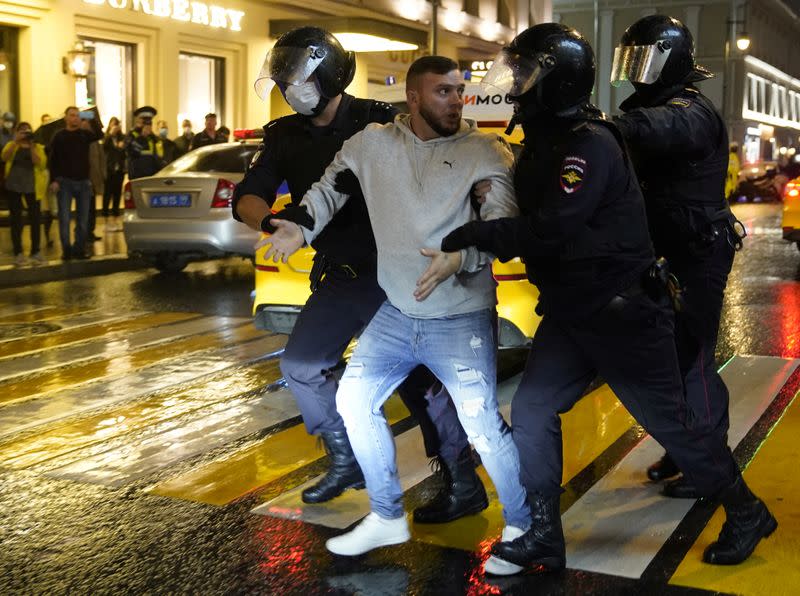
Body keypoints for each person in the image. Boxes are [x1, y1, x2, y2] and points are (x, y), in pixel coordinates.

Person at [440, 23, 777, 574]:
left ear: (558, 82)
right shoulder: (548, 141)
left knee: (673, 420)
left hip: (625, 311)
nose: (516, 85)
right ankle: (545, 534)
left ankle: (745, 510)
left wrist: (479, 235)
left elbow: (552, 229)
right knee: (531, 408)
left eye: (527, 75)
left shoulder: (594, 142)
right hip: (573, 310)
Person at [262, 55, 530, 560]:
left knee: (482, 427)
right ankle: (386, 515)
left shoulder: (485, 150)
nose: (456, 100)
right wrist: (299, 226)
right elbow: (328, 191)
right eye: (443, 92)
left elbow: (503, 225)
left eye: (459, 90)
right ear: (413, 98)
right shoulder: (372, 145)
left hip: (460, 315)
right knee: (354, 401)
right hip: (396, 312)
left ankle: (521, 526)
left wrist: (462, 254)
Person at [233, 30, 488, 523]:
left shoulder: (379, 119)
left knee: (422, 384)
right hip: (343, 277)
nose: (293, 89)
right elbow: (250, 192)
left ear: (331, 75)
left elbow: (451, 153)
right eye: (286, 82)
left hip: (397, 277)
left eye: (300, 79)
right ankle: (346, 457)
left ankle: (462, 480)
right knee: (303, 364)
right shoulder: (284, 135)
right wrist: (269, 221)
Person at [611, 15, 746, 499]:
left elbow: (661, 129)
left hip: (699, 254)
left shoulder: (688, 110)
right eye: (630, 61)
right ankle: (687, 447)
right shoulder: (651, 107)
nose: (635, 72)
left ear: (672, 63)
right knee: (669, 358)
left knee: (692, 357)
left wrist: (600, 125)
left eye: (644, 61)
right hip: (668, 252)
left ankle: (709, 460)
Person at [48, 106, 103, 260]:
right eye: (72, 115)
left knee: (83, 220)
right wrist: (53, 180)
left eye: (78, 116)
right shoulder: (59, 136)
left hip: (84, 183)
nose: (75, 118)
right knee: (64, 218)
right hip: (64, 183)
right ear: (66, 118)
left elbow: (99, 134)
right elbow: (53, 160)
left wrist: (90, 116)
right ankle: (66, 250)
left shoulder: (85, 134)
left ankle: (79, 249)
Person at [1, 121, 48, 266]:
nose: (25, 133)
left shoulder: (38, 147)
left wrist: (32, 145)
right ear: (16, 132)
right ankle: (18, 253)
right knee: (16, 220)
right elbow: (4, 157)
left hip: (32, 187)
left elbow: (41, 163)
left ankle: (35, 252)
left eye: (28, 131)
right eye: (22, 131)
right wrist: (15, 141)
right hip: (14, 186)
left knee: (35, 219)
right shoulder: (11, 145)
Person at [126, 107, 165, 180]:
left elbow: (158, 156)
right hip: (137, 176)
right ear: (138, 122)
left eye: (149, 123)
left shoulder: (153, 138)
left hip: (152, 176)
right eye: (145, 122)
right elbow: (133, 153)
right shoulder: (132, 135)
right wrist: (142, 137)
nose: (147, 125)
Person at [102, 117, 126, 229]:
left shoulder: (122, 138)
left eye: (117, 125)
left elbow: (124, 152)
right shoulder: (106, 137)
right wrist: (110, 135)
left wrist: (121, 147)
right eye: (113, 125)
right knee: (107, 194)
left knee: (117, 194)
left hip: (119, 170)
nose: (115, 127)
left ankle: (116, 217)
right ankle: (105, 217)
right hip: (109, 169)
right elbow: (104, 148)